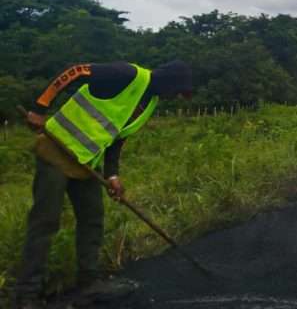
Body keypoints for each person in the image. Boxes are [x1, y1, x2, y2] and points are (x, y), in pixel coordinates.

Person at [14, 60, 193, 308]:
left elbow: (116, 139)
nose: (175, 96)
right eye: (177, 91)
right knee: (45, 221)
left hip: (87, 162)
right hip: (56, 150)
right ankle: (26, 293)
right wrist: (40, 107)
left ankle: (89, 282)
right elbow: (74, 72)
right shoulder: (127, 74)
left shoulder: (149, 103)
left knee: (93, 219)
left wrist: (113, 176)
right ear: (169, 82)